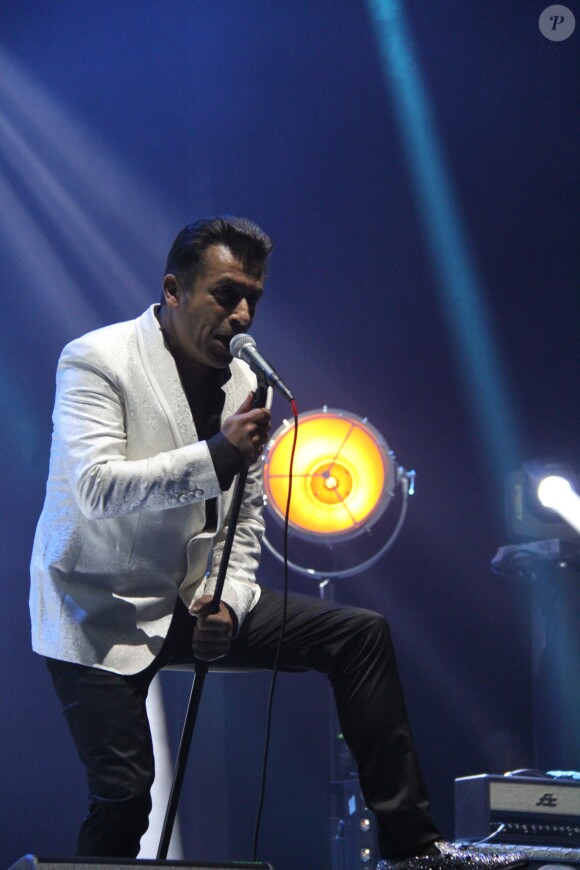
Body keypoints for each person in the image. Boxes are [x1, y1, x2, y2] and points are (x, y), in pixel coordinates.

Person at [30, 217, 526, 870]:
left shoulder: (245, 385)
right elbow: (95, 490)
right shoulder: (96, 359)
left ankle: (415, 851)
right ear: (174, 290)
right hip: (97, 606)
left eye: (253, 300)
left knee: (360, 634)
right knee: (125, 799)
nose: (242, 315)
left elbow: (245, 525)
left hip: (190, 596)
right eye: (226, 294)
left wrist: (227, 605)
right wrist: (215, 455)